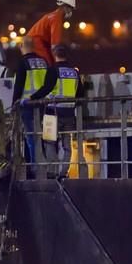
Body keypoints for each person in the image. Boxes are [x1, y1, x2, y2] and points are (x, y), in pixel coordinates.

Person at [30, 45, 84, 179]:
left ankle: (52, 172)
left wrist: (31, 98)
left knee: (50, 143)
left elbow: (45, 89)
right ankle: (63, 173)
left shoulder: (53, 70)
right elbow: (80, 94)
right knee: (67, 145)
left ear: (55, 55)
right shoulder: (74, 72)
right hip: (69, 114)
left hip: (52, 112)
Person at [12, 36, 49, 171]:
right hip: (43, 105)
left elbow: (19, 86)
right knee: (45, 137)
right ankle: (47, 165)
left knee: (31, 138)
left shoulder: (23, 63)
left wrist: (14, 104)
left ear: (21, 46)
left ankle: (34, 168)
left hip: (27, 106)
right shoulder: (43, 62)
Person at [26, 0, 76, 66]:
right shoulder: (57, 19)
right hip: (36, 44)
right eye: (71, 8)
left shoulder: (52, 15)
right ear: (65, 7)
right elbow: (55, 46)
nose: (70, 11)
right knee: (48, 64)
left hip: (31, 43)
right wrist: (59, 64)